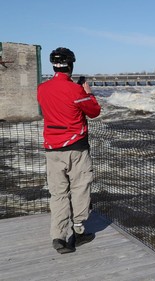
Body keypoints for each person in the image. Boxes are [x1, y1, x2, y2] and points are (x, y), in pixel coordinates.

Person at [37, 47, 101, 254]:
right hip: (76, 148)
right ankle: (79, 231)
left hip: (52, 149)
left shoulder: (42, 89)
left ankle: (58, 235)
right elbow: (94, 111)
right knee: (80, 188)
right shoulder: (76, 91)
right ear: (70, 65)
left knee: (58, 194)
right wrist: (87, 91)